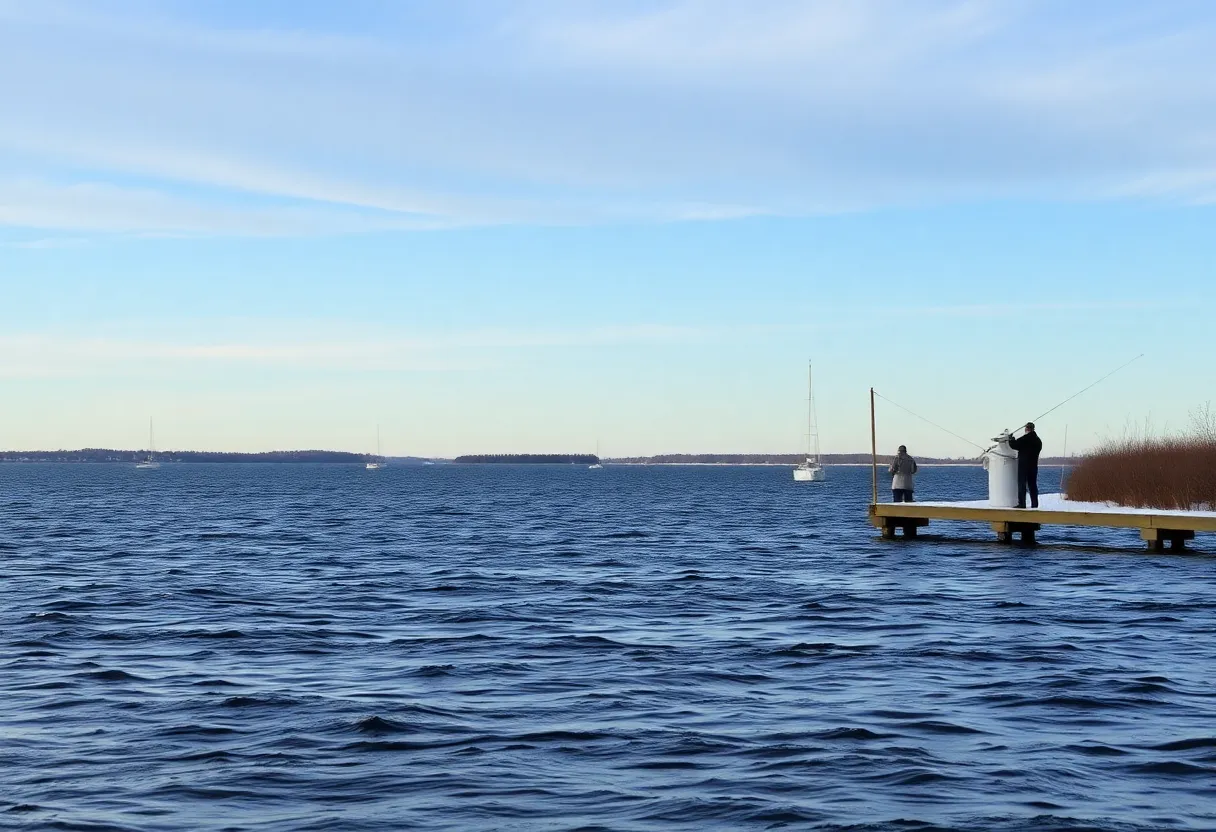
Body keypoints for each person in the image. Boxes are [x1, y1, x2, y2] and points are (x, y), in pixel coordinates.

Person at [1007, 422, 1043, 508]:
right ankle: (1035, 504)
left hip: (1024, 465)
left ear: (1026, 429)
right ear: (1033, 429)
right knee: (1033, 485)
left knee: (1022, 484)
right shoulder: (1038, 441)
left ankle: (1022, 503)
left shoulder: (1025, 439)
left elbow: (1014, 445)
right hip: (1033, 465)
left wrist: (1011, 439)